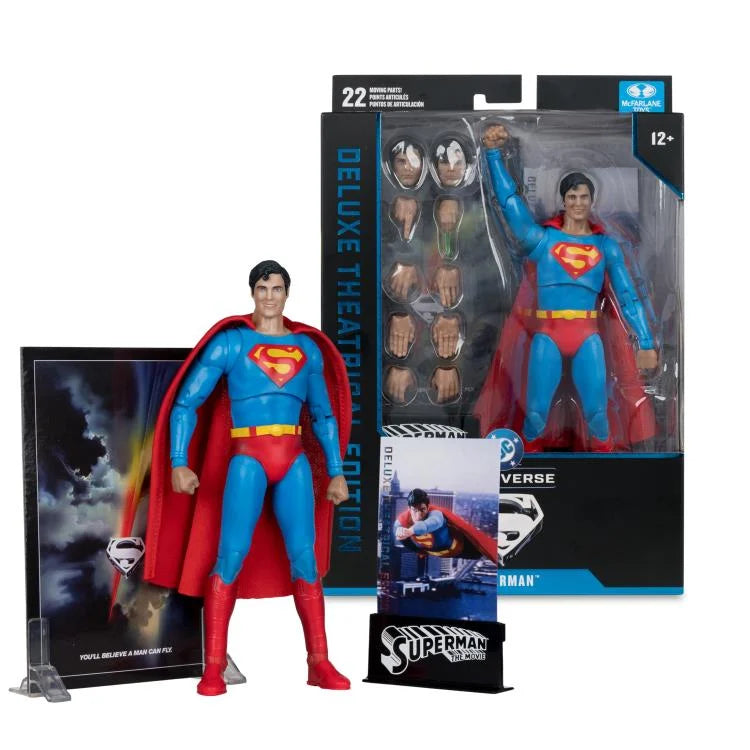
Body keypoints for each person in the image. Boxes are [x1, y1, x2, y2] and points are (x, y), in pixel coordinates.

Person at [144, 260, 351, 695]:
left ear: (287, 293)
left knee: (306, 559)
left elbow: (323, 415)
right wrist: (179, 460)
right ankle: (214, 667)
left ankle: (319, 662)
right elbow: (186, 404)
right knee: (230, 557)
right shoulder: (232, 344)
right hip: (247, 459)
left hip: (293, 460)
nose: (270, 296)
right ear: (252, 292)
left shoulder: (307, 349)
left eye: (277, 288)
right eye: (262, 288)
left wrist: (336, 471)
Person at [477, 124, 657, 451]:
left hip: (587, 336)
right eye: (572, 196)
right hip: (547, 334)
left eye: (583, 196)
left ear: (592, 199)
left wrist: (645, 341)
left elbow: (628, 297)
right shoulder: (543, 241)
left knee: (598, 416)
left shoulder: (606, 247)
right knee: (534, 415)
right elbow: (509, 203)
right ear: (563, 200)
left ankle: (609, 473)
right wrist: (492, 155)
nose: (578, 202)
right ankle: (526, 468)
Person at [394, 489, 496, 561]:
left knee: (485, 551)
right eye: (414, 510)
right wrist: (401, 534)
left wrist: (411, 531)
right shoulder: (402, 521)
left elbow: (431, 523)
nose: (419, 515)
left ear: (428, 507)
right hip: (442, 552)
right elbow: (405, 540)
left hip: (462, 546)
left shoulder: (435, 514)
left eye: (422, 509)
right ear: (409, 509)